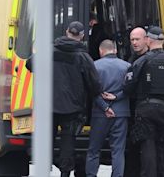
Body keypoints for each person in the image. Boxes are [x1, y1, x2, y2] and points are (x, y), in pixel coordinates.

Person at [124, 26, 164, 177]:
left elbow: (128, 86)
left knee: (147, 146)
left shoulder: (142, 61)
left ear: (148, 40)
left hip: (145, 109)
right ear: (163, 40)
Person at [53, 21, 102, 177]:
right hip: (72, 107)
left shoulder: (49, 50)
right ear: (81, 36)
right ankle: (65, 172)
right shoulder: (83, 57)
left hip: (49, 105)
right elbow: (94, 83)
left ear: (67, 31)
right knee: (68, 141)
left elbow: (30, 64)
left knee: (46, 141)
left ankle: (49, 163)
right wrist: (99, 94)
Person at [86, 39, 131, 177]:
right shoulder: (127, 66)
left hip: (100, 114)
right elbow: (131, 89)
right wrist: (117, 97)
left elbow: (92, 91)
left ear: (101, 51)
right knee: (118, 150)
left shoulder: (94, 66)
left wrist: (105, 107)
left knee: (94, 150)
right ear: (115, 50)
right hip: (121, 112)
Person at [124, 26, 149, 177]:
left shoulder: (150, 59)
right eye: (132, 40)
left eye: (137, 39)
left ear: (146, 40)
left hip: (146, 108)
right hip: (133, 109)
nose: (134, 43)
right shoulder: (132, 59)